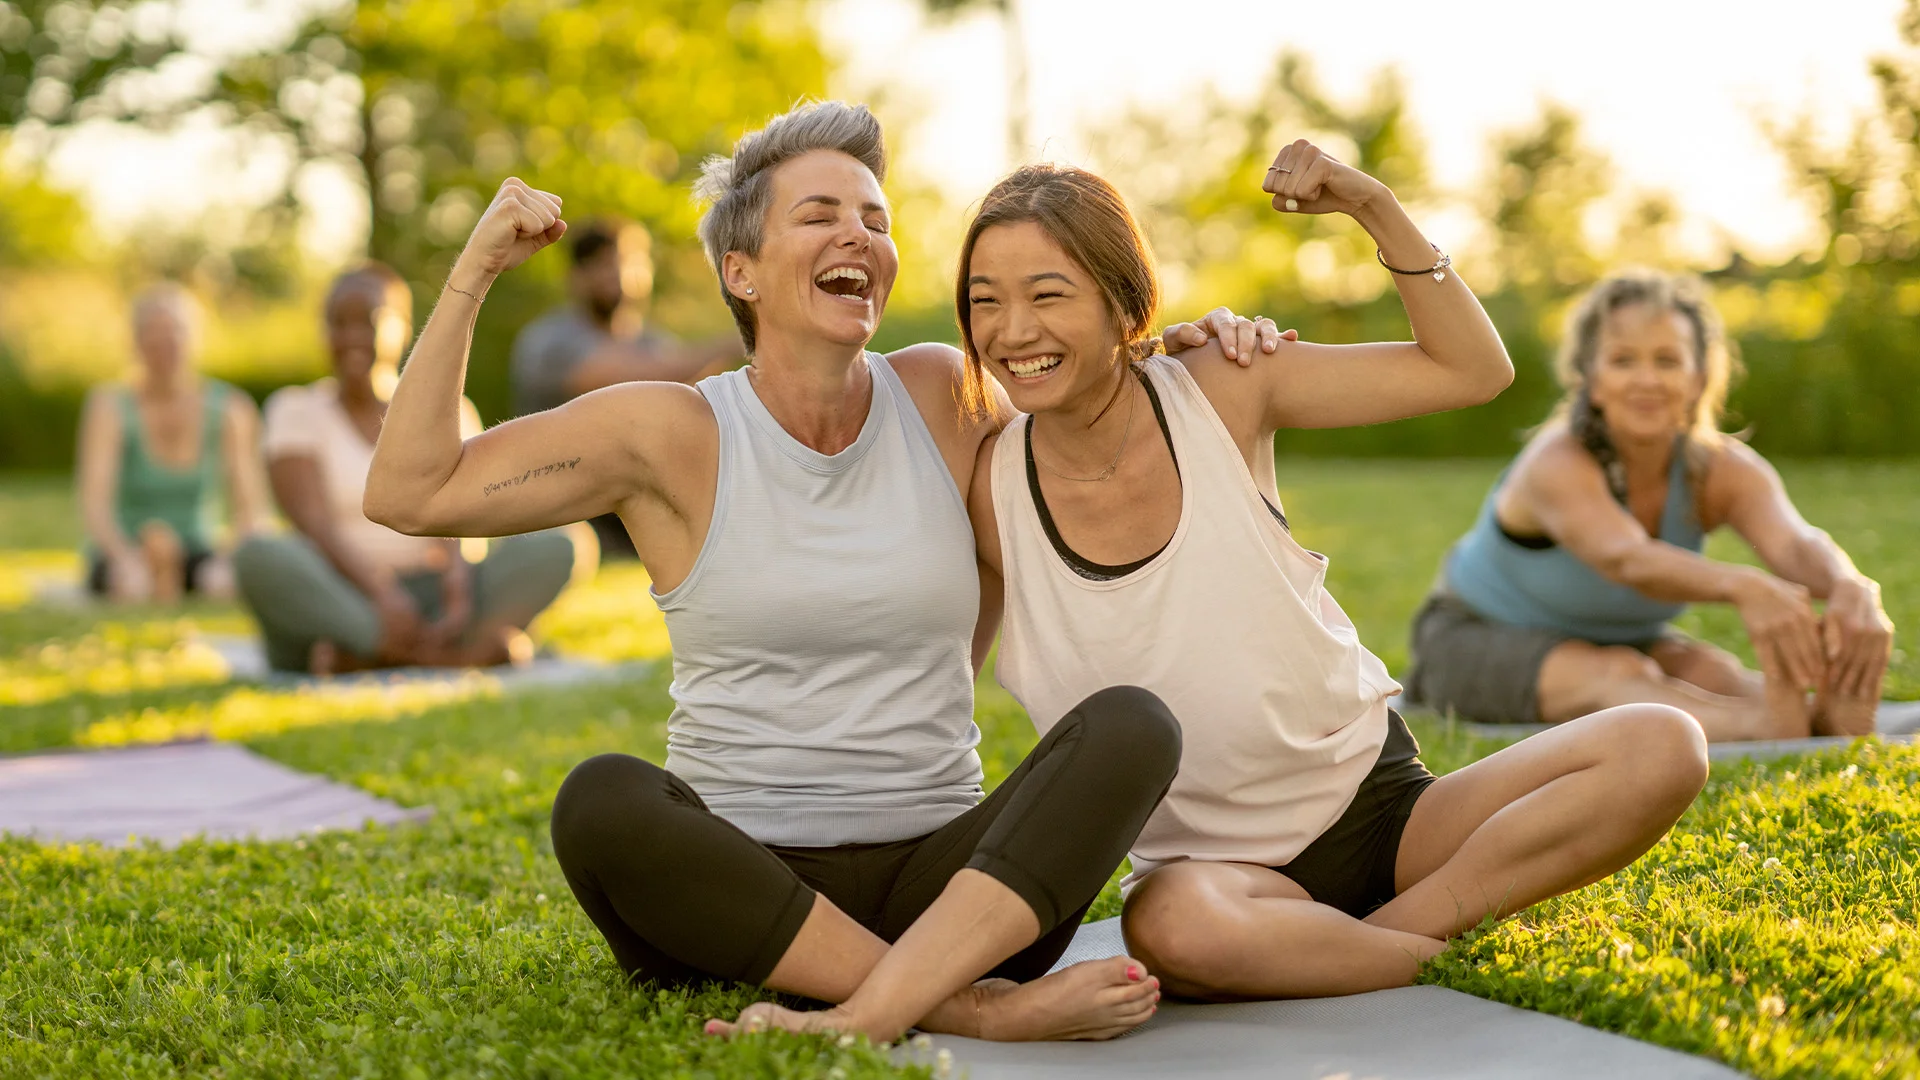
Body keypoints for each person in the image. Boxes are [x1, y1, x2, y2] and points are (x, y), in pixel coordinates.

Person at [362, 102, 1273, 1043]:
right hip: (738, 895)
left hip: (948, 892)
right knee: (602, 799)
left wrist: (1186, 354)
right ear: (740, 269)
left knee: (1133, 727)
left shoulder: (943, 394)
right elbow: (411, 491)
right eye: (820, 215)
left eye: (876, 220)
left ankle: (887, 997)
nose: (858, 235)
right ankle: (968, 1006)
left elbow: (1083, 389)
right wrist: (472, 272)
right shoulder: (670, 432)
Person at [961, 145, 1709, 1001]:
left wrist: (1372, 204)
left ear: (1123, 300)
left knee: (1663, 744)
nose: (1012, 331)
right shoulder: (987, 490)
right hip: (1217, 879)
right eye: (986, 302)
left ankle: (1366, 944)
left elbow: (1471, 370)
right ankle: (1431, 951)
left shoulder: (1222, 386)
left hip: (1388, 815)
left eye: (1046, 294)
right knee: (1170, 929)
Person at [1405, 270, 1896, 741]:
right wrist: (1744, 586)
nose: (1646, 380)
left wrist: (1848, 586)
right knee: (1624, 676)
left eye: (1667, 360)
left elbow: (1793, 540)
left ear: (1699, 379)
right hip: (1473, 637)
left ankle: (1816, 717)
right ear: (1592, 381)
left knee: (1713, 673)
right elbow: (1626, 557)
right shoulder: (1557, 461)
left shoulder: (1721, 469)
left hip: (1619, 638)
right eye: (1623, 361)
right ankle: (1770, 728)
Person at [233, 264, 581, 674]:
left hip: (429, 593)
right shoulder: (296, 409)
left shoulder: (447, 409)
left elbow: (462, 515)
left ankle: (367, 657)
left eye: (368, 321)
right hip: (341, 594)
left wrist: (458, 586)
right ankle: (448, 655)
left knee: (563, 543)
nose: (350, 337)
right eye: (337, 323)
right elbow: (312, 522)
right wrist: (381, 593)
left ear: (403, 328)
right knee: (257, 555)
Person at [511, 217, 739, 559]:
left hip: (641, 502)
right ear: (575, 277)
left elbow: (694, 410)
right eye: (599, 264)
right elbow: (633, 376)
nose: (614, 273)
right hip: (564, 506)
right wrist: (742, 338)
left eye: (625, 261)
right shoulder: (547, 341)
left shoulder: (658, 344)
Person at [75, 283, 269, 603]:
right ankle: (154, 569)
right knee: (133, 587)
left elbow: (250, 506)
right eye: (153, 331)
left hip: (197, 549)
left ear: (195, 338)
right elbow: (96, 507)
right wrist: (124, 558)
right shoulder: (109, 407)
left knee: (222, 584)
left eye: (175, 330)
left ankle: (173, 572)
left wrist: (227, 559)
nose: (164, 341)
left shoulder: (229, 408)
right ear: (136, 341)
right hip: (124, 549)